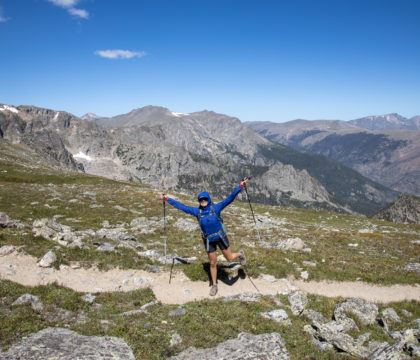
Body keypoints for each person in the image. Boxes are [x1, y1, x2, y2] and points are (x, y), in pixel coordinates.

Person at [160, 179, 248, 296]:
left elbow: (230, 198)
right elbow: (182, 207)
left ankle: (240, 254)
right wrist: (168, 199)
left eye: (205, 199)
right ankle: (214, 285)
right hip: (208, 240)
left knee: (230, 258)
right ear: (199, 201)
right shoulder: (197, 212)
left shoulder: (215, 208)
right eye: (201, 200)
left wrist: (240, 187)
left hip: (220, 237)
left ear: (209, 199)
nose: (203, 201)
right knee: (212, 263)